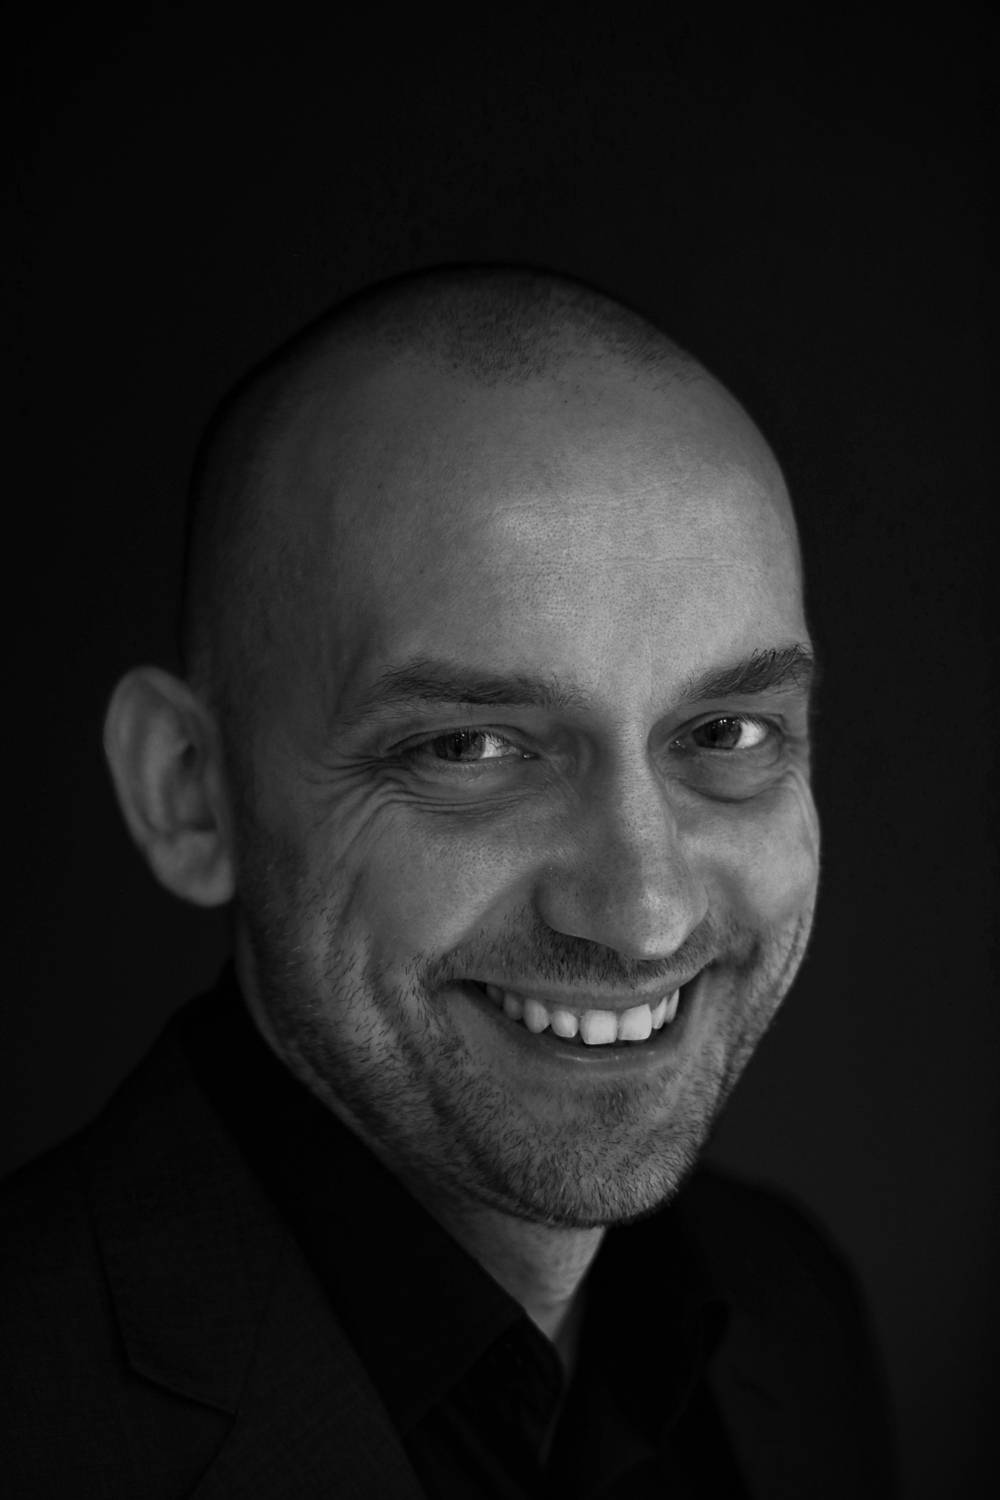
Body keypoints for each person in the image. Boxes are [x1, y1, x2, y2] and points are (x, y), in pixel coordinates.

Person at [1, 265, 897, 1497]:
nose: (645, 916)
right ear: (190, 791)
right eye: (470, 748)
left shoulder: (790, 1308)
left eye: (725, 734)